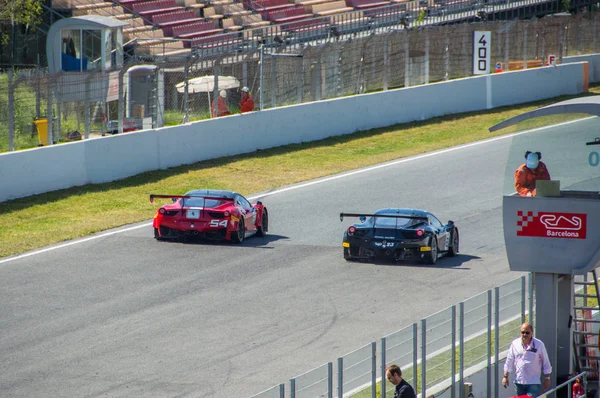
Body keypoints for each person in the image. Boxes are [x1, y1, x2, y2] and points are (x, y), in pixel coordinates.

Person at [502, 322, 552, 397]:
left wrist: (547, 378)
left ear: (532, 332)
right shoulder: (515, 344)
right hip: (519, 382)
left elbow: (546, 362)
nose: (525, 334)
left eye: (527, 332)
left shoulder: (539, 344)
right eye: (523, 332)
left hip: (533, 382)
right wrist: (505, 376)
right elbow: (509, 360)